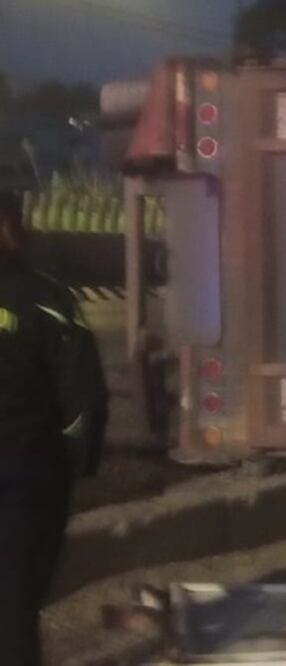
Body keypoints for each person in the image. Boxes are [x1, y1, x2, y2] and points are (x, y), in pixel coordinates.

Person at [0, 190, 107, 664]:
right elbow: (85, 400)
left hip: (28, 478)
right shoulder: (46, 300)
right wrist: (74, 467)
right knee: (14, 609)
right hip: (27, 481)